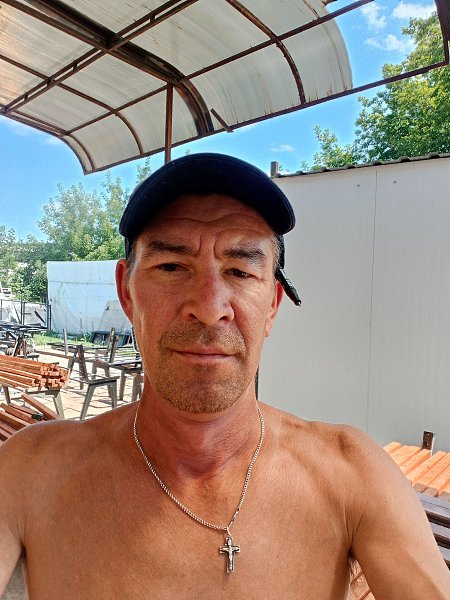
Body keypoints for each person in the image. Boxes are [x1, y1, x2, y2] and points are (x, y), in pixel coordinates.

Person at [0, 153, 449, 599]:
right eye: (171, 267)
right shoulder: (32, 471)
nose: (209, 306)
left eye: (239, 271)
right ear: (127, 293)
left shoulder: (353, 473)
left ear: (272, 305)